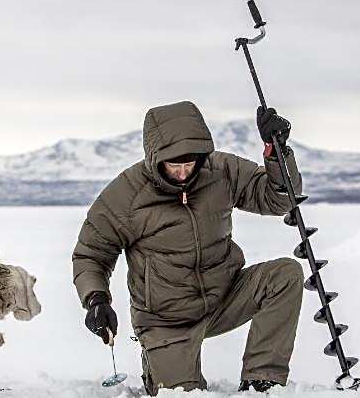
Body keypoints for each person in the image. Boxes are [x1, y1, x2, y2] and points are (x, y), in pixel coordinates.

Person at [72, 100, 305, 395]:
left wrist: (277, 154)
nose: (183, 173)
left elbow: (279, 199)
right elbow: (91, 252)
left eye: (189, 163)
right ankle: (158, 361)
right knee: (183, 394)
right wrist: (96, 299)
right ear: (155, 157)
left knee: (285, 275)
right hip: (166, 320)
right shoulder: (126, 195)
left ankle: (262, 379)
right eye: (174, 165)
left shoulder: (221, 170)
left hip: (224, 295)